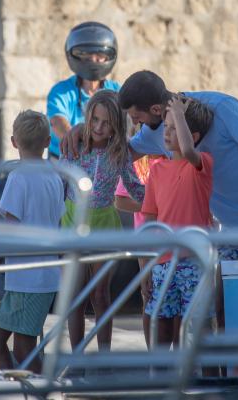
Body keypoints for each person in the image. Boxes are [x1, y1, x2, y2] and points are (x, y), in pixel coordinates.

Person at [63, 71, 238, 259]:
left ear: (156, 109)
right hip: (237, 225)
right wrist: (82, 132)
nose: (135, 125)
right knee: (231, 305)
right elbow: (117, 152)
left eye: (137, 118)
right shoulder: (154, 130)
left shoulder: (222, 108)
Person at [59, 90, 144, 352]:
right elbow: (59, 183)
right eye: (95, 119)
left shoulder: (120, 153)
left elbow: (135, 188)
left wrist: (163, 203)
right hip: (73, 223)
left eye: (106, 123)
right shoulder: (74, 147)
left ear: (115, 126)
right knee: (74, 296)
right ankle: (77, 356)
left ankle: (104, 355)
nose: (98, 127)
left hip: (105, 227)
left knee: (100, 294)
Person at [0, 110, 65, 373]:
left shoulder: (18, 177)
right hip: (41, 276)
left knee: (19, 347)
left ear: (13, 142)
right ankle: (17, 390)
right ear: (47, 142)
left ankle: (45, 391)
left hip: (26, 278)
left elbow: (12, 230)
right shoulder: (54, 176)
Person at [139, 96, 214, 350]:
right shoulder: (156, 170)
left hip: (195, 262)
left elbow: (190, 153)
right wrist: (146, 266)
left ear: (192, 135)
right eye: (166, 127)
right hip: (162, 264)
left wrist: (180, 114)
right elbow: (149, 222)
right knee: (161, 326)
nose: (167, 133)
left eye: (174, 127)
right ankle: (161, 382)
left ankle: (208, 380)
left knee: (199, 327)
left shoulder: (202, 163)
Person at [47, 22, 121, 159]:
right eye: (86, 55)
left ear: (109, 56)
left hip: (105, 159)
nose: (93, 60)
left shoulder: (117, 91)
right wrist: (79, 139)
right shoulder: (61, 91)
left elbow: (128, 127)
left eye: (100, 54)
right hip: (65, 159)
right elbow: (58, 123)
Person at [114, 153, 165, 348]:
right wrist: (155, 207)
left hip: (174, 238)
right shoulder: (137, 162)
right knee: (149, 296)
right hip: (146, 241)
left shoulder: (172, 157)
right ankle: (154, 355)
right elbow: (120, 200)